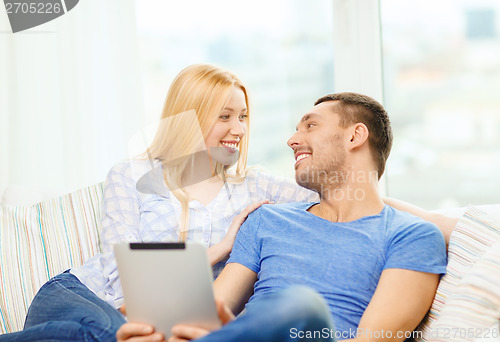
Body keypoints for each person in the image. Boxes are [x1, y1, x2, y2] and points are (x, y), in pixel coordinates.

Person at [0, 64, 316, 341]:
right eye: (225, 117)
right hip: (80, 296)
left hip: (155, 326)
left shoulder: (255, 186)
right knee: (123, 336)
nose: (240, 129)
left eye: (243, 117)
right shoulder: (131, 174)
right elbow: (122, 279)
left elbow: (333, 195)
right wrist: (214, 253)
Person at [117, 92, 448, 342]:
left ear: (354, 136)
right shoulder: (267, 220)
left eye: (310, 126)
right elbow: (211, 310)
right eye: (295, 130)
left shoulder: (412, 235)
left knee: (301, 305)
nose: (292, 140)